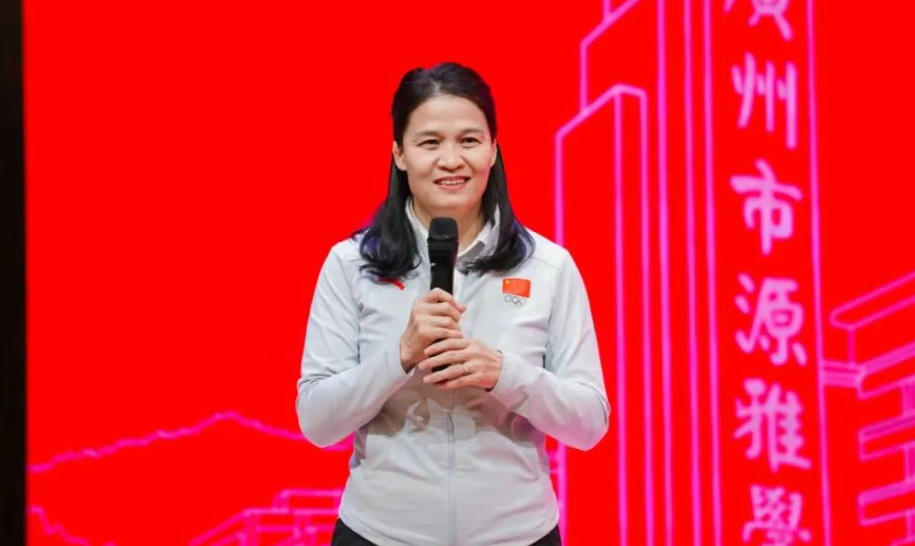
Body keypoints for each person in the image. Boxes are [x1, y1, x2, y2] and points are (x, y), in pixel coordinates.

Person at [296, 62, 609, 546]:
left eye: (468, 140)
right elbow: (317, 421)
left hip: (518, 535)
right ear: (399, 154)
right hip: (380, 534)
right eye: (429, 142)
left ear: (493, 149)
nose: (450, 160)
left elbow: (589, 424)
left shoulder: (548, 266)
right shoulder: (351, 264)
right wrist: (399, 356)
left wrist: (504, 373)